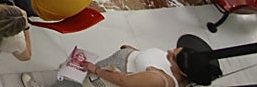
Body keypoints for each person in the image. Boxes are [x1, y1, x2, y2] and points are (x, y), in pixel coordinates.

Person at [20, 39, 221, 87]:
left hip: (107, 77)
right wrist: (132, 51)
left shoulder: (158, 79)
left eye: (173, 56)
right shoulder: (173, 68)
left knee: (74, 83)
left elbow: (124, 80)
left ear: (183, 73)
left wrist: (96, 69)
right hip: (119, 63)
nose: (169, 52)